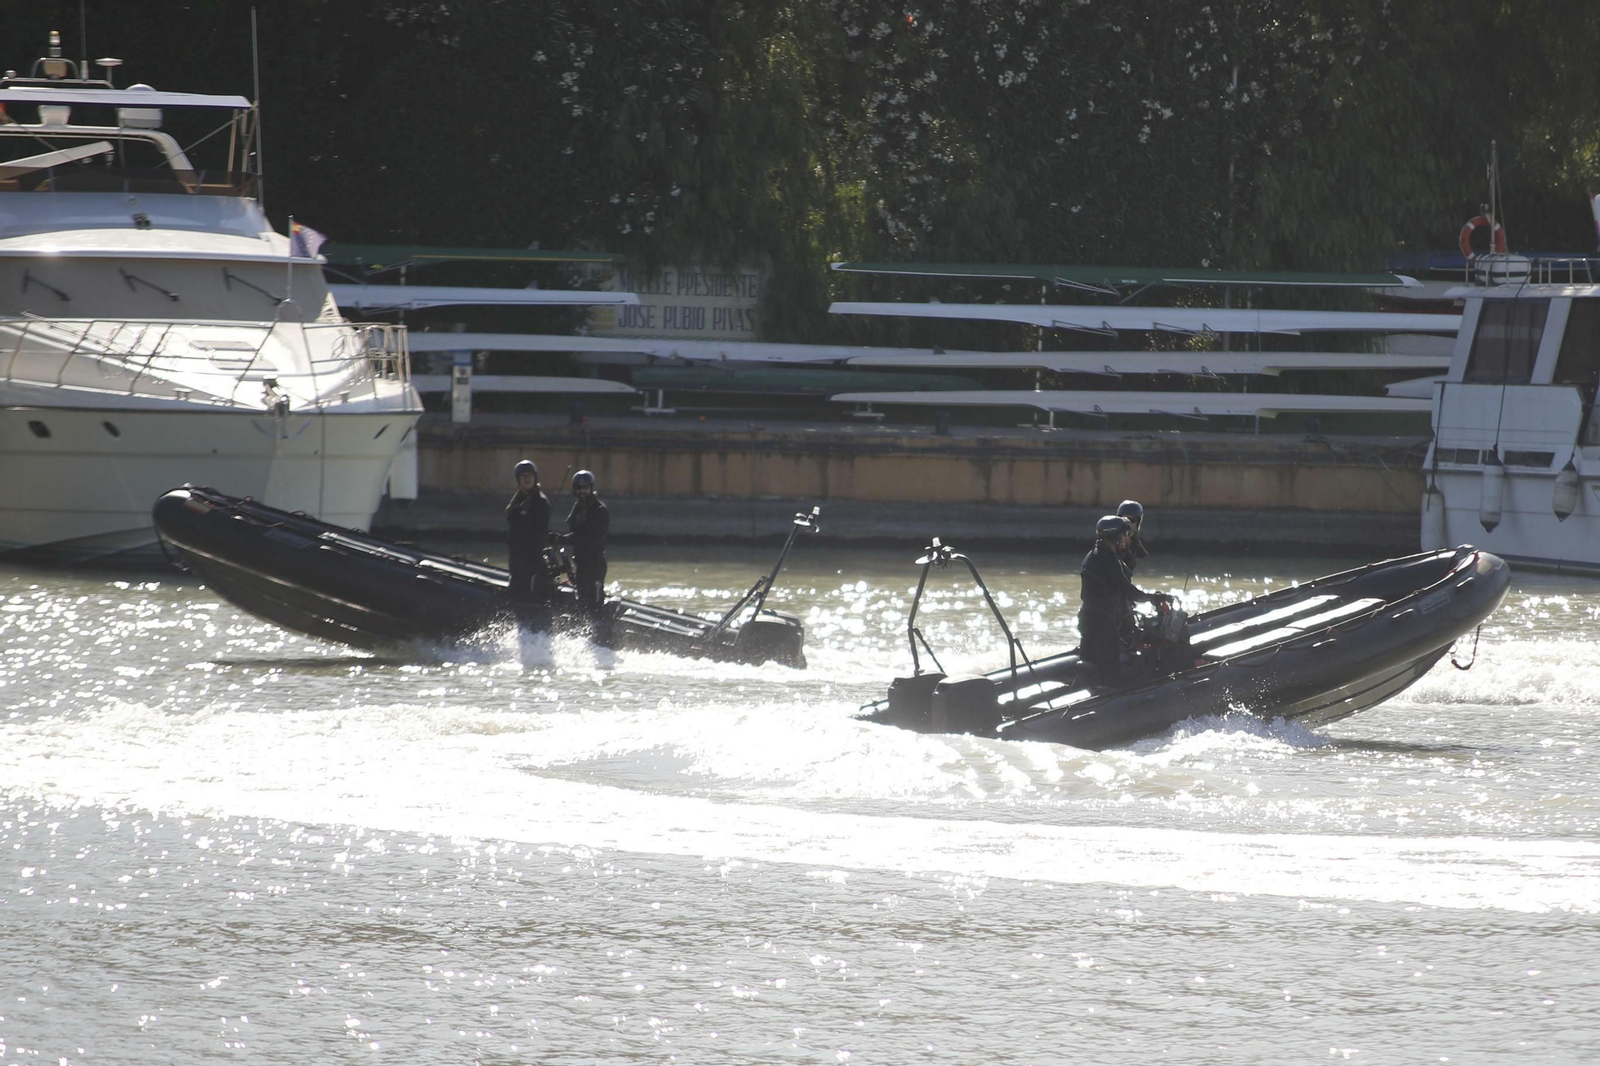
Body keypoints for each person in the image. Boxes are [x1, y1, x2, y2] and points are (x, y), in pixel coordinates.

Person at [1078, 514, 1172, 687]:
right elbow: (1128, 590)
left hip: (1086, 619)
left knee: (1089, 664)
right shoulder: (1109, 560)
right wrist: (1153, 598)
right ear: (1115, 537)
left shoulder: (1092, 555)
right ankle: (1113, 703)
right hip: (1102, 623)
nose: (1126, 539)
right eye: (1124, 535)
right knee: (1111, 668)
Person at [505, 459, 551, 600]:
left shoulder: (540, 502)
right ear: (518, 479)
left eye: (530, 475)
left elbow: (541, 533)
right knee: (515, 590)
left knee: (530, 593)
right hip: (516, 556)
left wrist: (533, 556)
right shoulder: (517, 500)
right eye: (523, 476)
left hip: (531, 558)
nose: (527, 479)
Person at [564, 469, 609, 609]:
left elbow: (592, 539)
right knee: (582, 599)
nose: (582, 491)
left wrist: (566, 539)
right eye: (579, 488)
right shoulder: (577, 509)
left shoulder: (599, 510)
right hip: (580, 562)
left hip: (595, 563)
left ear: (591, 488)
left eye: (586, 488)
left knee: (594, 601)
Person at [1115, 499, 1150, 574]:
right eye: (1124, 519)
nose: (1127, 523)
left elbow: (1143, 561)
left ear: (1138, 523)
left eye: (1132, 520)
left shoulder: (1136, 543)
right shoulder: (1111, 541)